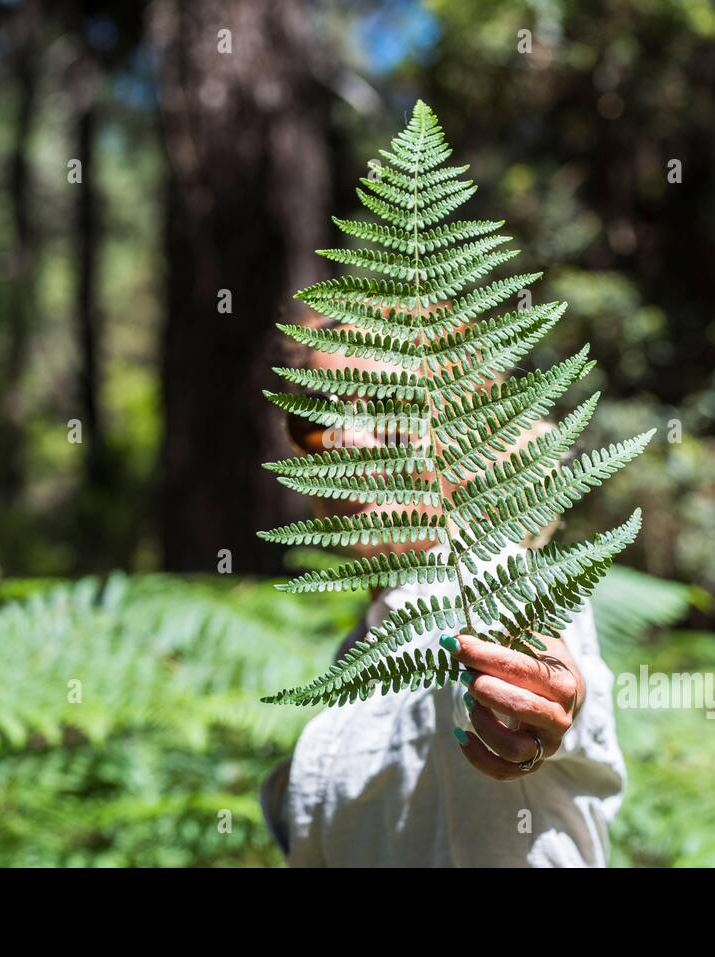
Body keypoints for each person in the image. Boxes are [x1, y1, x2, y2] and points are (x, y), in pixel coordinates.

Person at [259, 310, 626, 867]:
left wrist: (534, 712)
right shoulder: (366, 640)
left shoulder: (494, 581)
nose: (344, 441)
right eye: (316, 420)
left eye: (389, 409)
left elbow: (546, 678)